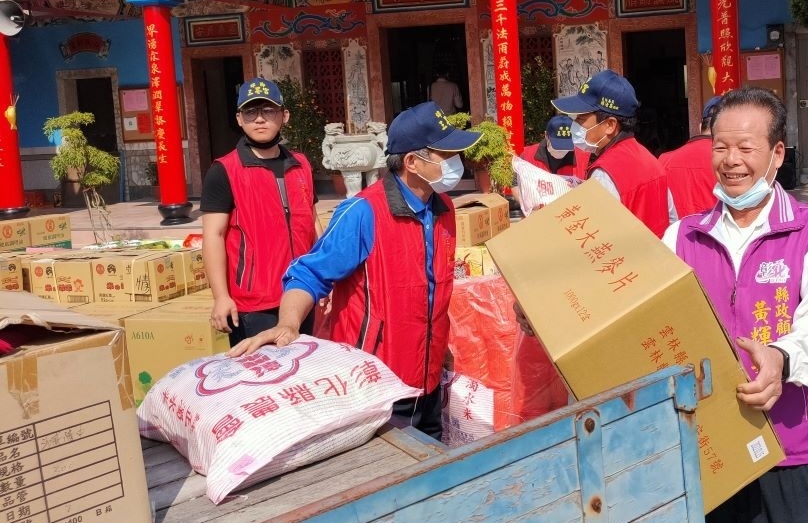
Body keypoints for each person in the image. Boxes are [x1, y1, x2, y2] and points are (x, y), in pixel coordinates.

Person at [662, 86, 808, 523]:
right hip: (706, 450)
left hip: (789, 447)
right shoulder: (681, 236)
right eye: (720, 147)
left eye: (746, 148)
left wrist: (783, 357)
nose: (731, 162)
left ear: (777, 154)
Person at [229, 101, 481, 440]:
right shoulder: (364, 212)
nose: (457, 164)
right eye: (445, 155)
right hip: (378, 383)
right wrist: (288, 323)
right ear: (411, 161)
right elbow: (309, 274)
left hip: (428, 375)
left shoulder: (442, 207)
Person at [201, 77, 318, 347]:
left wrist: (322, 277)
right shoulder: (224, 170)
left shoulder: (300, 164)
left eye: (268, 111)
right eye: (251, 112)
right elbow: (213, 236)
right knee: (263, 382)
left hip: (303, 292)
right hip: (255, 302)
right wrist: (221, 297)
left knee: (302, 377)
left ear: (284, 115)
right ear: (239, 119)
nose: (260, 119)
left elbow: (312, 222)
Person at [552, 68, 670, 236]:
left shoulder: (604, 174)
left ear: (610, 125)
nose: (575, 125)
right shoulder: (653, 162)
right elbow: (671, 219)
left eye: (581, 119)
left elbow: (593, 235)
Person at [659, 95, 721, 221]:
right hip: (719, 236)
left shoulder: (664, 160)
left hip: (677, 237)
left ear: (700, 127)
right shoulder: (734, 162)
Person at [519, 114, 587, 178]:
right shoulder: (527, 156)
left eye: (566, 146)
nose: (561, 150)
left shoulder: (582, 159)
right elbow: (514, 182)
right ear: (546, 135)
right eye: (557, 145)